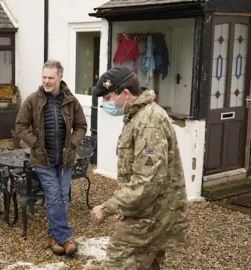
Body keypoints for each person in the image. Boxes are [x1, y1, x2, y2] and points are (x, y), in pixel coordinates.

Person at [90, 66, 190, 269]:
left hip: (150, 216)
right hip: (145, 211)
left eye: (108, 97)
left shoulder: (149, 122)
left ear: (125, 93)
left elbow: (146, 183)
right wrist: (126, 206)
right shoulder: (138, 115)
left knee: (116, 263)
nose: (105, 104)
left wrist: (109, 207)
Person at [15, 59, 87, 256]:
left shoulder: (70, 100)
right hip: (42, 160)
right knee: (54, 195)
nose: (46, 81)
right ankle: (65, 237)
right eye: (44, 77)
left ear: (60, 78)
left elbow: (81, 126)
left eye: (51, 78)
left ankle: (53, 236)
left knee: (62, 198)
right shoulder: (32, 100)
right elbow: (20, 126)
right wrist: (36, 143)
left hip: (65, 159)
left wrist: (72, 142)